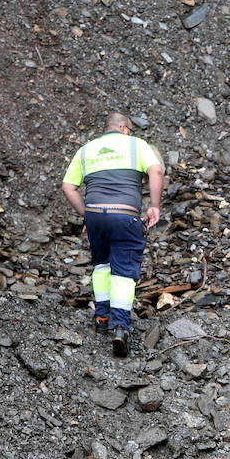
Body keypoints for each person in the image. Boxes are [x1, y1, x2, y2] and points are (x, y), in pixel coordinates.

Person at [60, 112, 164, 357]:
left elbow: (68, 187)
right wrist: (155, 205)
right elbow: (156, 172)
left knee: (101, 265)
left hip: (96, 215)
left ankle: (101, 318)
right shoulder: (136, 145)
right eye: (131, 128)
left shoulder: (85, 150)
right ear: (124, 127)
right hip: (125, 214)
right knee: (124, 270)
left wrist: (86, 214)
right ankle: (120, 326)